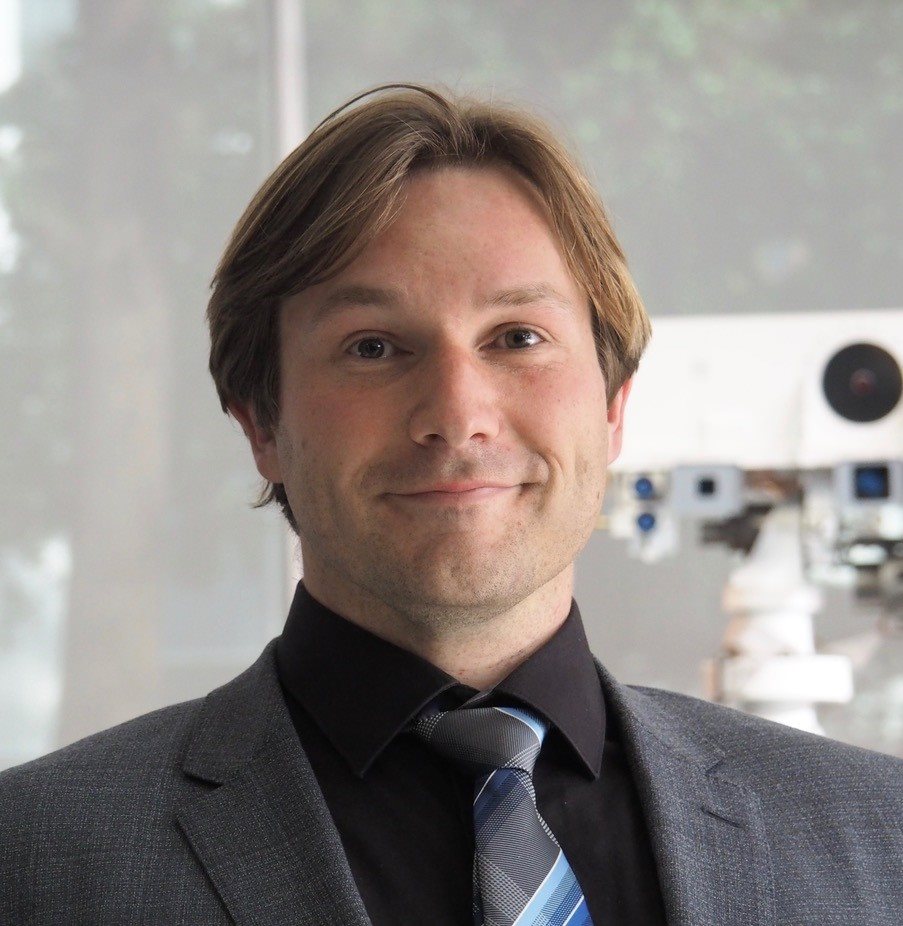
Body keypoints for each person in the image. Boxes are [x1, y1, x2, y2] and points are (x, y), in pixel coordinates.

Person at [0, 83, 900, 926]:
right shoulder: (35, 860)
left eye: (517, 337)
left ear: (614, 404)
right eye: (373, 347)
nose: (457, 416)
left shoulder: (875, 840)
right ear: (259, 421)